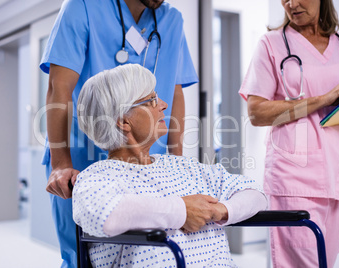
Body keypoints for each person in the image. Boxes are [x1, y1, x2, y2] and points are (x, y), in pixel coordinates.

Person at [39, 0, 198, 266]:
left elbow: (176, 92)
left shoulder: (172, 20)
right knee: (83, 256)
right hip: (81, 160)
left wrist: (177, 160)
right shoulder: (83, 6)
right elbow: (59, 88)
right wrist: (60, 164)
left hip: (147, 163)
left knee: (146, 252)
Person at [73, 63, 267, 267]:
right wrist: (183, 211)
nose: (164, 105)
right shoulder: (97, 177)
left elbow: (256, 193)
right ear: (124, 122)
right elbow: (106, 216)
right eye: (152, 100)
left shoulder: (185, 167)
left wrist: (222, 210)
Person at [239, 0, 339, 267]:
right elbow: (257, 113)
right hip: (294, 178)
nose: (292, 4)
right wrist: (324, 98)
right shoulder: (271, 44)